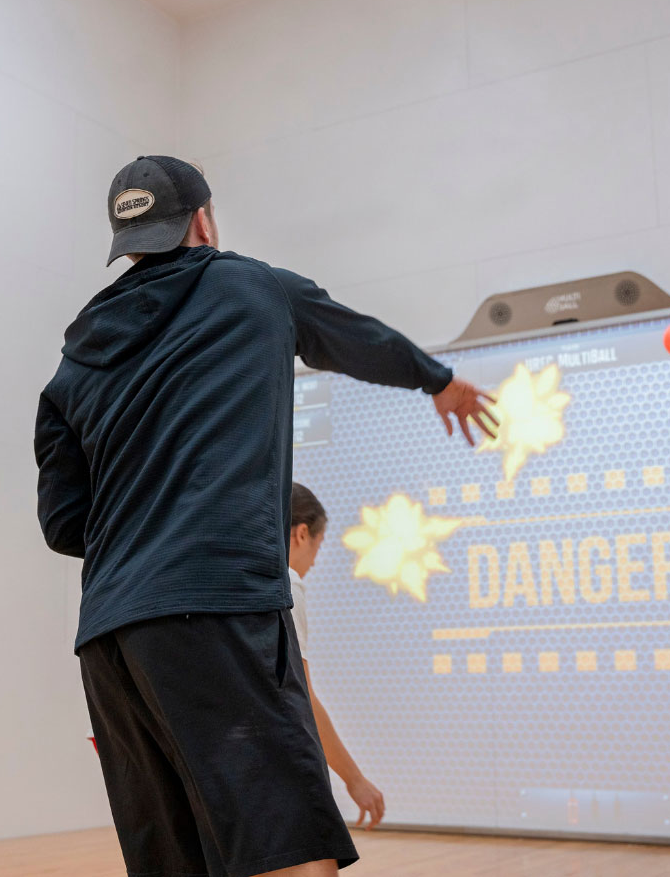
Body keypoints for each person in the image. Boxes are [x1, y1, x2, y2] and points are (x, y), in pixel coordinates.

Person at [35, 155, 496, 877]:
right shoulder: (250, 287)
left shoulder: (73, 360)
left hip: (110, 640)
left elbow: (64, 525)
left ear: (125, 243)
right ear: (202, 219)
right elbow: (353, 337)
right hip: (218, 609)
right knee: (290, 854)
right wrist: (436, 379)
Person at [287, 482, 385, 830]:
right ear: (301, 534)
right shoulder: (288, 586)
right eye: (319, 544)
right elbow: (302, 698)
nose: (315, 561)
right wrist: (355, 780)